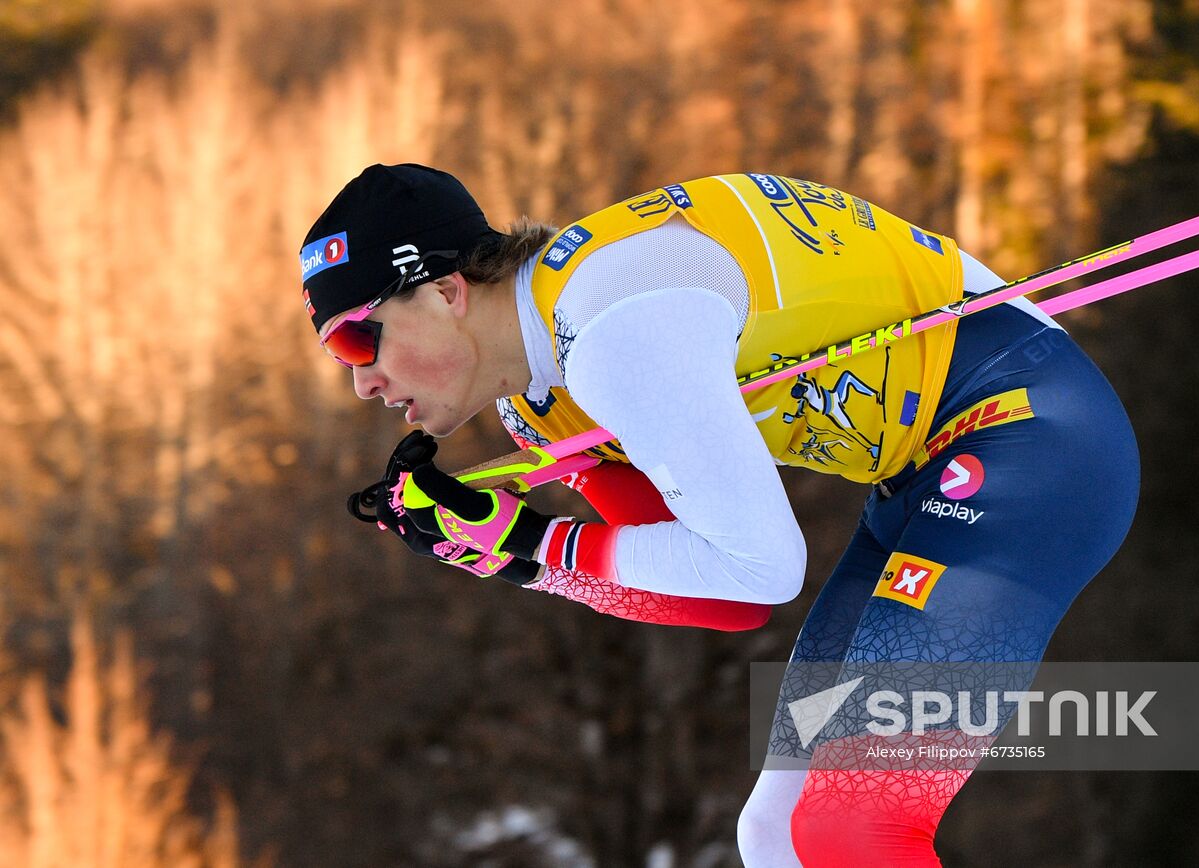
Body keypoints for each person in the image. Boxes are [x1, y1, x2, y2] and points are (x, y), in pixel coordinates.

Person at [300, 164, 1139, 866]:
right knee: (776, 834)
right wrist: (515, 559)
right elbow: (718, 597)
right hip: (920, 484)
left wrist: (533, 541)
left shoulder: (616, 329)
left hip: (1032, 444)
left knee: (852, 827)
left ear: (446, 289)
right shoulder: (545, 397)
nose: (360, 382)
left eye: (356, 340)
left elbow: (761, 568)